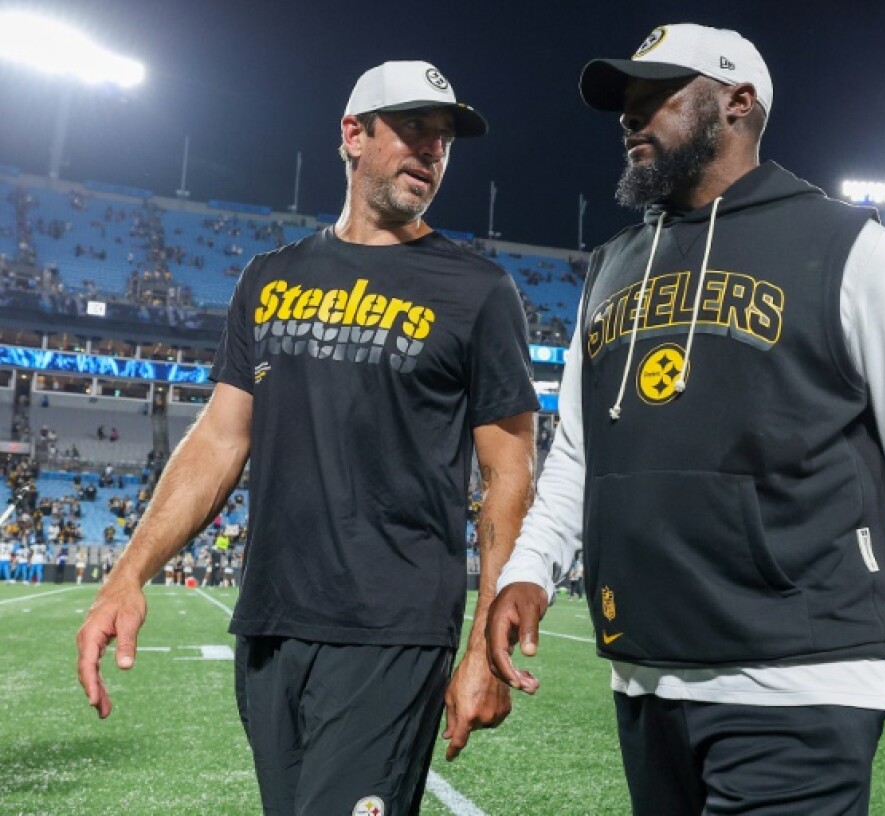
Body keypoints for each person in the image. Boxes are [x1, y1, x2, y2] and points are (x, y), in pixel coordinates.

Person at [486, 24, 885, 814]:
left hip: (800, 672)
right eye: (625, 102)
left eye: (655, 97)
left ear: (737, 103)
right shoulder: (613, 262)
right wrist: (530, 569)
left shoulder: (844, 244)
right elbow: (582, 457)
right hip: (647, 673)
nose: (630, 118)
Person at [76, 60, 539, 815]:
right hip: (269, 624)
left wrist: (484, 639)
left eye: (445, 140)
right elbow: (220, 441)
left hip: (391, 630)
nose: (431, 152)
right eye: (414, 130)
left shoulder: (479, 292)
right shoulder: (269, 276)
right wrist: (127, 575)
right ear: (353, 136)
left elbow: (509, 476)